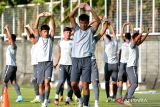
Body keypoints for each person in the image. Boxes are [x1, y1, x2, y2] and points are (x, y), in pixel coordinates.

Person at [69, 3, 100, 107]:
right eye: (82, 23)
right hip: (75, 60)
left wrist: (90, 9)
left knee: (85, 84)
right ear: (79, 23)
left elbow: (98, 21)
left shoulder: (90, 31)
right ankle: (80, 99)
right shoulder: (76, 29)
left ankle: (86, 105)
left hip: (87, 60)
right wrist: (77, 7)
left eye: (85, 23)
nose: (83, 25)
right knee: (73, 84)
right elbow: (70, 16)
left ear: (88, 23)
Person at [122, 27, 150, 106]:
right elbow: (136, 39)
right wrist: (141, 32)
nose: (140, 39)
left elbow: (141, 40)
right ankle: (128, 99)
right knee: (135, 84)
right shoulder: (132, 43)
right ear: (135, 38)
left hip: (131, 67)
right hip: (131, 67)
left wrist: (147, 33)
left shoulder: (136, 44)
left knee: (132, 84)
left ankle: (125, 98)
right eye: (139, 37)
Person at [33, 12, 55, 107]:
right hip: (40, 64)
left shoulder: (51, 39)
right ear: (41, 32)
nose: (46, 33)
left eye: (47, 31)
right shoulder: (38, 39)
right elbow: (35, 28)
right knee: (40, 84)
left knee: (47, 82)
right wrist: (38, 16)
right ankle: (43, 101)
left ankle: (46, 100)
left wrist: (51, 17)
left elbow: (53, 28)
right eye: (44, 31)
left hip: (49, 63)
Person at [1, 25, 24, 102]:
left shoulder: (13, 45)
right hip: (13, 66)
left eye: (9, 38)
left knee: (4, 81)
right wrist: (5, 30)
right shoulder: (12, 45)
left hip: (10, 66)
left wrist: (7, 28)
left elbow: (10, 38)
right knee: (13, 82)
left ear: (12, 39)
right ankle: (20, 96)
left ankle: (2, 96)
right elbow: (9, 37)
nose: (8, 39)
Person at [53, 27, 73, 105]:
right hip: (62, 65)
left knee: (70, 83)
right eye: (66, 32)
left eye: (69, 32)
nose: (68, 34)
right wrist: (56, 63)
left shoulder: (73, 42)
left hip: (71, 65)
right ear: (63, 33)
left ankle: (67, 99)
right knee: (61, 81)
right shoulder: (60, 42)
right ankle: (56, 96)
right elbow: (59, 54)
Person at [25, 24, 41, 103]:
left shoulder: (38, 43)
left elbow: (34, 35)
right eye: (30, 39)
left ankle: (40, 97)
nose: (31, 40)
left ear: (35, 39)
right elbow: (30, 35)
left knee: (36, 80)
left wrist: (29, 27)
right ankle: (39, 96)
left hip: (39, 65)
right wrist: (26, 29)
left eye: (32, 39)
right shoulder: (33, 46)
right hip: (35, 65)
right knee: (36, 81)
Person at [116, 22, 133, 100]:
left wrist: (124, 25)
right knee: (124, 81)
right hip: (126, 64)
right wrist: (128, 25)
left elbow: (121, 34)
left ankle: (123, 96)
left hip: (125, 64)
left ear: (126, 37)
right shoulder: (126, 43)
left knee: (124, 81)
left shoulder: (128, 44)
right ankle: (123, 96)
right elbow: (123, 34)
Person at [103, 21, 118, 102]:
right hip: (115, 65)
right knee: (114, 82)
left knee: (106, 82)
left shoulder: (107, 43)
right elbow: (114, 32)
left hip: (108, 65)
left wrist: (104, 23)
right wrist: (110, 25)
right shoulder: (115, 42)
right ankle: (114, 97)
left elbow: (103, 32)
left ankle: (108, 97)